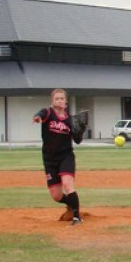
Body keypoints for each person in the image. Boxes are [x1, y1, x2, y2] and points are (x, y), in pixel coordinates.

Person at [32, 88, 83, 226]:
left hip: (66, 156)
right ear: (52, 101)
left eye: (62, 98)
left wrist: (80, 131)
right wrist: (37, 117)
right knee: (56, 196)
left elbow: (78, 141)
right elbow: (40, 114)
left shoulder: (70, 120)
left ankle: (77, 217)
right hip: (49, 159)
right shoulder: (48, 113)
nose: (59, 100)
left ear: (66, 101)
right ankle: (71, 204)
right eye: (57, 98)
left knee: (67, 183)